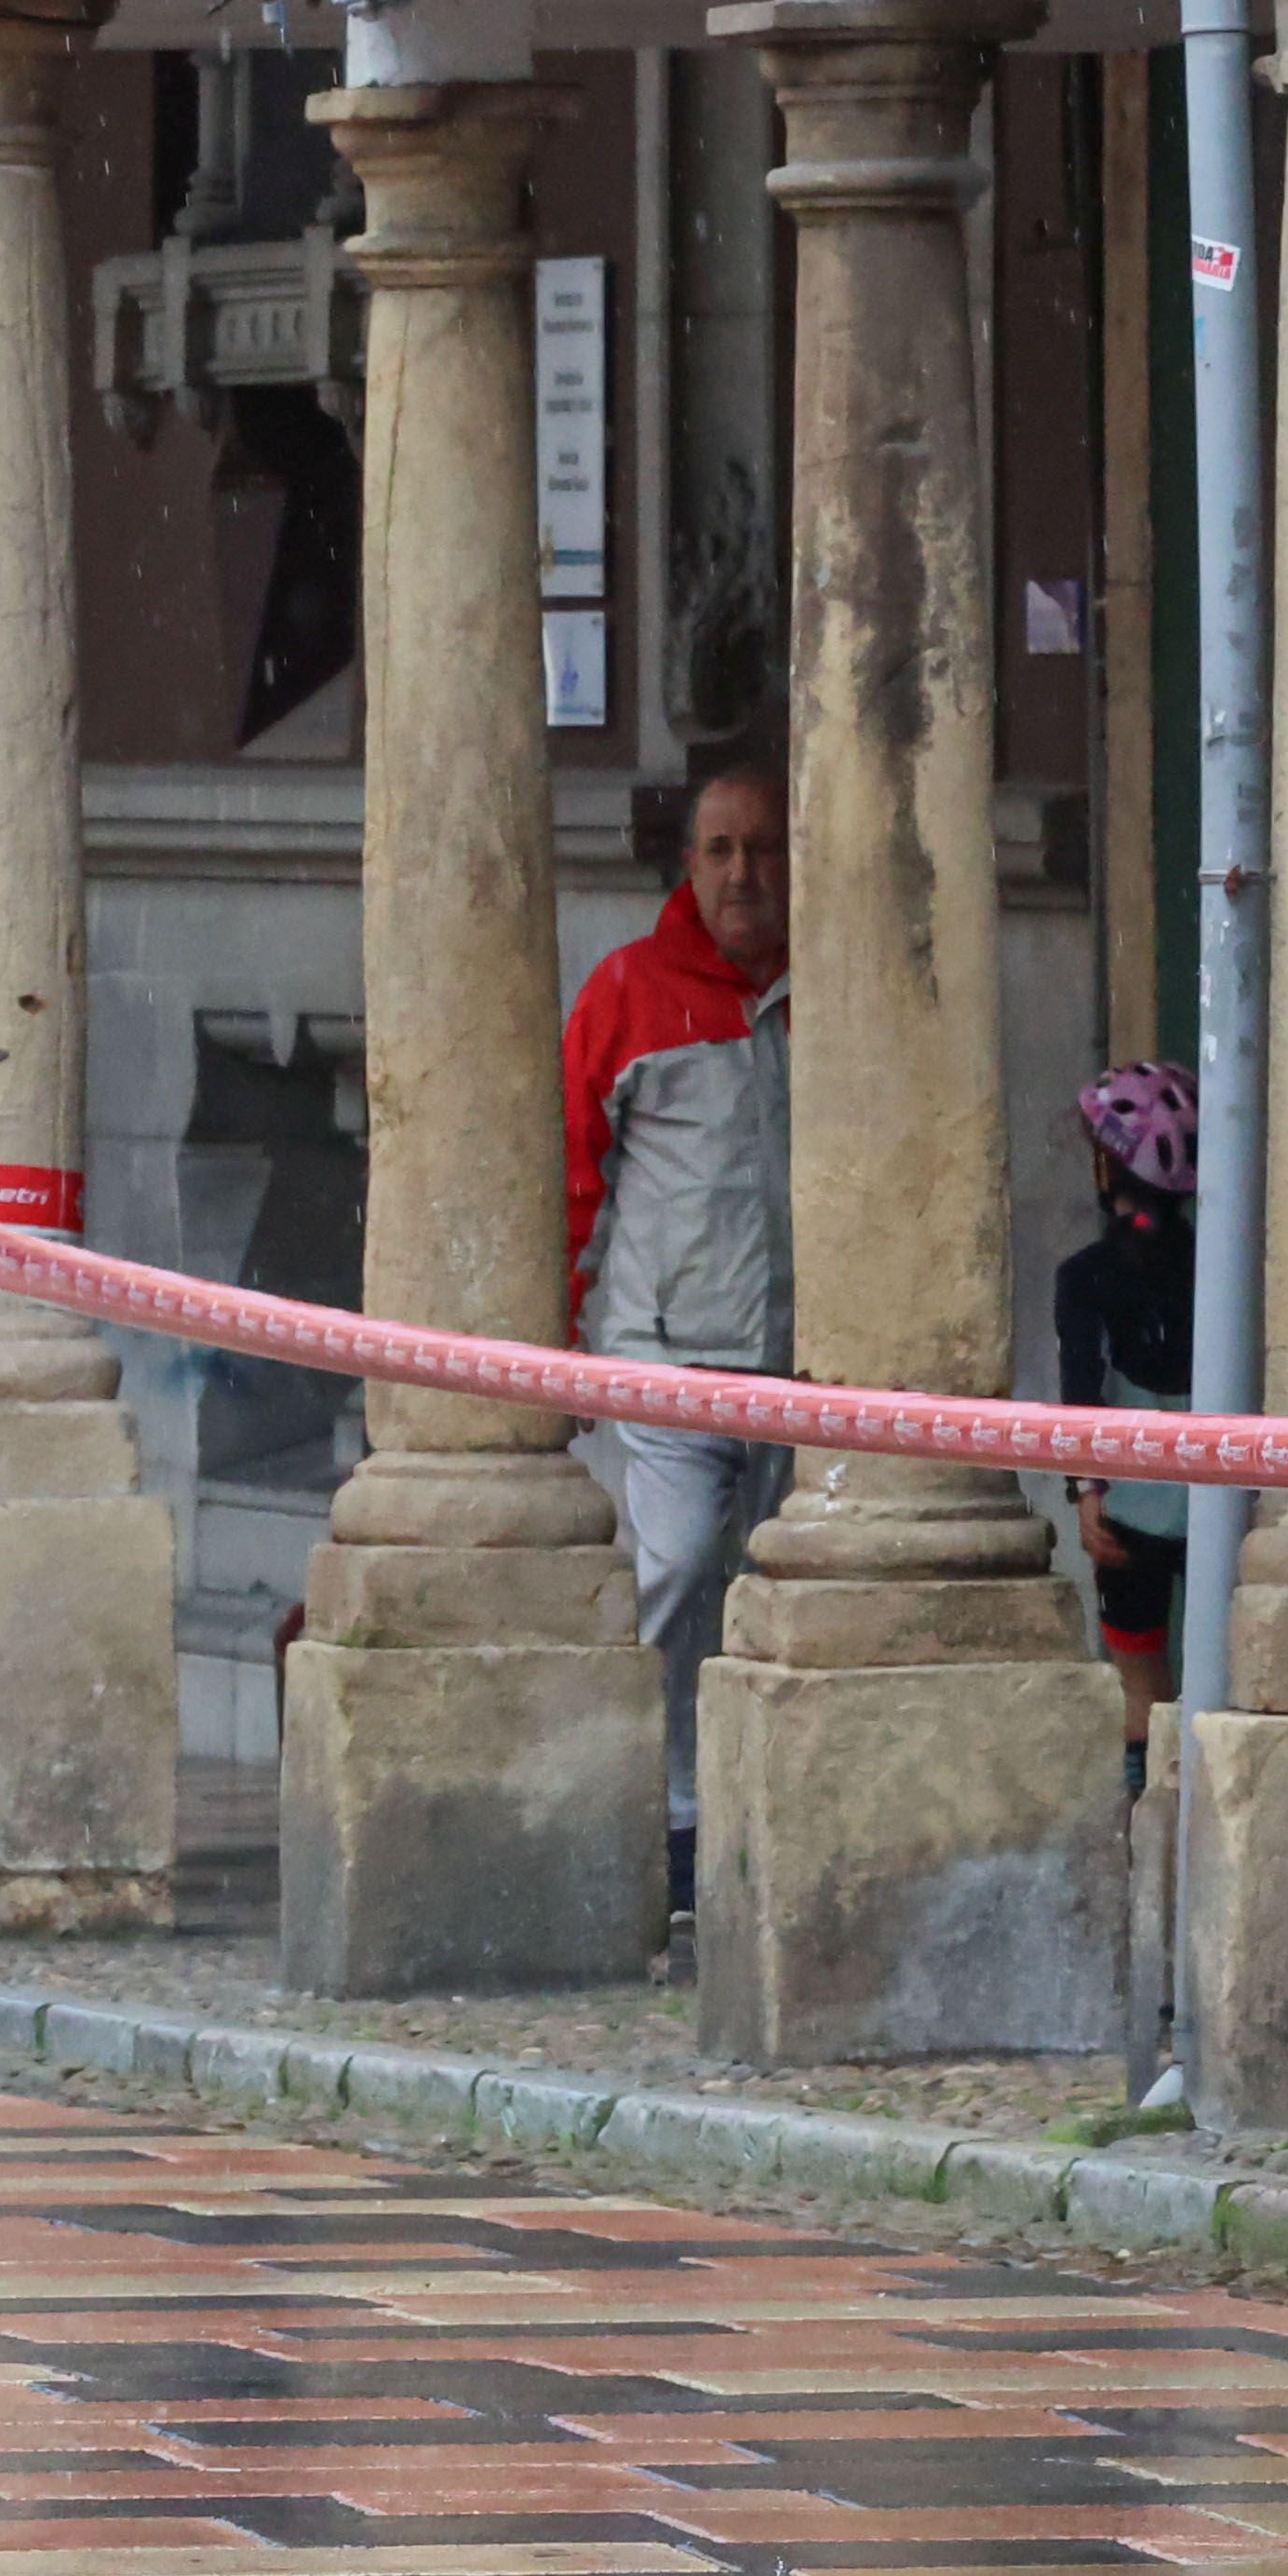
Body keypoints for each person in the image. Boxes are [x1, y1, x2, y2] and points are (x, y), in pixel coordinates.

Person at [562, 753, 795, 1869]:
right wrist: (556, 1329)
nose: (742, 872)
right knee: (678, 1562)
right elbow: (568, 1162)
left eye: (762, 848)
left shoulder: (828, 987)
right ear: (687, 866)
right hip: (667, 1352)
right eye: (720, 849)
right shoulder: (628, 991)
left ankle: (734, 1814)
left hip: (796, 1360)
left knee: (762, 1585)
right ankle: (644, 1811)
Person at [1056, 1061, 1198, 1747]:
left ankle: (1149, 1818)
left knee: (1137, 1679)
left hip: (1130, 1502)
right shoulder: (1219, 1263)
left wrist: (1087, 1489)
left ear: (1108, 1170)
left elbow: (1080, 1386)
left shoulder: (1086, 1277)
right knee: (1221, 1675)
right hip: (1220, 1495)